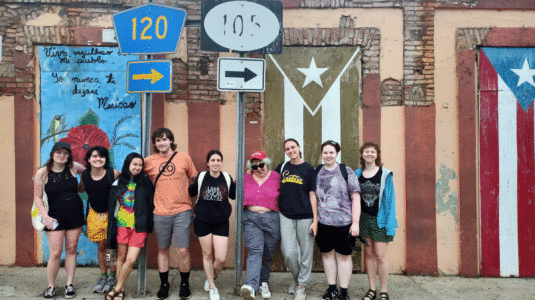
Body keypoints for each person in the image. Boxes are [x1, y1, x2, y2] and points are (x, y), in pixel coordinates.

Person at [144, 128, 197, 300]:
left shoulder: (184, 158)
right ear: (155, 143)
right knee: (163, 249)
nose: (162, 143)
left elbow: (196, 178)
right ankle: (164, 284)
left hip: (182, 210)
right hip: (160, 211)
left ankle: (184, 283)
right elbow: (135, 177)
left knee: (182, 250)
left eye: (165, 139)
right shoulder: (148, 161)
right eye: (158, 140)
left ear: (171, 141)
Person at [33, 141, 85, 299]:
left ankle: (69, 284)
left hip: (75, 214)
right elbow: (37, 197)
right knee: (55, 253)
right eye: (58, 152)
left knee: (71, 250)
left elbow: (90, 172)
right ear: (52, 154)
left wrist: (83, 183)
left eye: (65, 153)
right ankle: (51, 286)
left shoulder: (74, 167)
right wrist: (45, 217)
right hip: (53, 217)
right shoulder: (43, 172)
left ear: (69, 154)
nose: (62, 156)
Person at [315, 140, 361, 300]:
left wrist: (355, 223)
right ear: (322, 154)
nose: (328, 155)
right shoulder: (317, 172)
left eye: (331, 152)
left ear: (336, 153)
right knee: (327, 256)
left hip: (344, 224)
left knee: (344, 257)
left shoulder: (346, 171)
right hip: (323, 224)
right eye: (325, 152)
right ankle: (332, 288)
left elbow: (356, 198)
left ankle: (343, 291)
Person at [105, 152, 154, 300]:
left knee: (131, 259)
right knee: (121, 257)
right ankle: (121, 290)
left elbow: (151, 203)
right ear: (128, 165)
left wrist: (148, 222)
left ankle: (117, 287)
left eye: (140, 165)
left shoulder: (145, 181)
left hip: (139, 226)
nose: (137, 167)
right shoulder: (119, 181)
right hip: (121, 225)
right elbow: (113, 204)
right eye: (135, 164)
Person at [189, 150, 236, 300]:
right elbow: (190, 192)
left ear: (221, 163)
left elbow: (234, 195)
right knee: (207, 254)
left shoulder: (227, 178)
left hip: (221, 221)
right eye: (213, 160)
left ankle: (212, 276)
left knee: (221, 259)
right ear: (208, 163)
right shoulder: (201, 177)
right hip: (202, 221)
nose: (216, 163)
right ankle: (212, 286)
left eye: (218, 160)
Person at [274, 139, 317, 300]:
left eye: (293, 147)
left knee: (306, 253)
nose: (290, 150)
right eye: (287, 149)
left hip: (306, 215)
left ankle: (302, 286)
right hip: (285, 214)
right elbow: (270, 180)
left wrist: (315, 220)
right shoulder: (283, 167)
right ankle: (297, 278)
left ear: (299, 148)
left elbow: (313, 195)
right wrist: (252, 171)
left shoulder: (309, 169)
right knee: (290, 253)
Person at [355, 142, 397, 300]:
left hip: (380, 219)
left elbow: (390, 200)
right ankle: (372, 289)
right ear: (362, 154)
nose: (369, 154)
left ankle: (384, 290)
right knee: (369, 254)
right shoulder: (357, 173)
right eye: (367, 151)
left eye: (373, 152)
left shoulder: (385, 174)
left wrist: (389, 222)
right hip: (363, 219)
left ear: (377, 155)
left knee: (380, 255)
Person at [79, 146, 120, 294]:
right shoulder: (85, 174)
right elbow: (80, 189)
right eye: (94, 156)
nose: (98, 159)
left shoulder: (113, 173)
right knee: (101, 246)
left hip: (111, 215)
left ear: (106, 159)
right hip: (94, 214)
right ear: (88, 159)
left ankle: (112, 276)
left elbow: (128, 187)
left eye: (101, 156)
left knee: (110, 246)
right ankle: (103, 276)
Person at [240, 151, 281, 300]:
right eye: (255, 166)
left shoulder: (277, 177)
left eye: (262, 165)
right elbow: (230, 189)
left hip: (271, 218)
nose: (259, 169)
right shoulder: (245, 177)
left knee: (267, 253)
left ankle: (264, 282)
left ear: (267, 163)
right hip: (251, 218)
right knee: (255, 251)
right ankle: (250, 286)